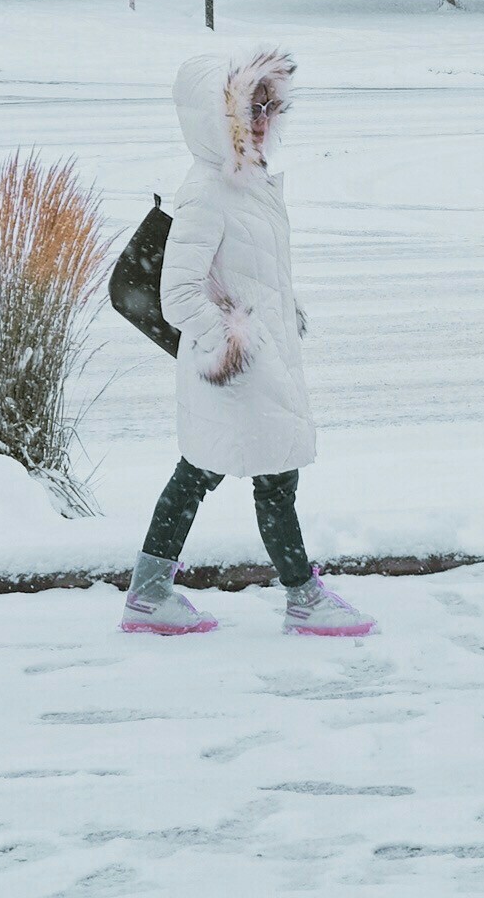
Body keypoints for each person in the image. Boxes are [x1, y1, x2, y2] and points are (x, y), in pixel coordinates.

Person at [120, 48, 375, 638]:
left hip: (254, 359)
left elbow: (252, 270)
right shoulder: (208, 190)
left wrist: (285, 311)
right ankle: (302, 598)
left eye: (267, 107)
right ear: (217, 117)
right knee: (271, 475)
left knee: (204, 473)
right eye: (246, 109)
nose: (260, 120)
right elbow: (178, 294)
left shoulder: (247, 181)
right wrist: (235, 343)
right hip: (235, 366)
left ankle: (150, 590)